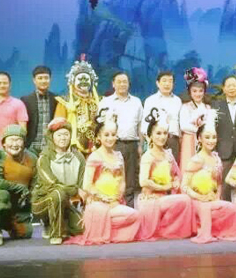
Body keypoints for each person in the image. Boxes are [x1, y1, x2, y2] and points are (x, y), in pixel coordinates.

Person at [67, 109, 141, 245]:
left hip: (114, 202)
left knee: (135, 216)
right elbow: (87, 185)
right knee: (102, 210)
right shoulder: (94, 157)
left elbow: (122, 181)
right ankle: (97, 224)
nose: (110, 138)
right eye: (106, 135)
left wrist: (116, 198)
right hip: (98, 202)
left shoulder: (119, 156)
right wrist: (103, 198)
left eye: (113, 135)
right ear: (98, 137)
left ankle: (105, 228)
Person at [182, 109, 236, 243]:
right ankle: (204, 233)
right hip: (197, 201)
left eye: (214, 137)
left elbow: (219, 183)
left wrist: (216, 197)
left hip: (212, 199)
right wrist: (200, 197)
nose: (211, 141)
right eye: (207, 137)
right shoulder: (196, 160)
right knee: (205, 209)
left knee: (231, 208)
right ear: (199, 138)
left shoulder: (216, 158)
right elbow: (184, 186)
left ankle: (224, 232)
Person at [136, 108, 193, 241]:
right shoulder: (148, 156)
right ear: (150, 136)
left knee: (186, 199)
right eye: (158, 133)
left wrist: (176, 181)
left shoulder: (168, 155)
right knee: (184, 200)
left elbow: (177, 175)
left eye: (164, 133)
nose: (162, 137)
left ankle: (171, 231)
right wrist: (165, 187)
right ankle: (167, 231)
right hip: (151, 199)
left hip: (165, 197)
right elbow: (143, 182)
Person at [31, 118, 85, 245]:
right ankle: (54, 231)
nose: (63, 138)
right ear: (52, 137)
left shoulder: (79, 157)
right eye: (59, 135)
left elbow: (82, 184)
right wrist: (75, 189)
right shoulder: (44, 157)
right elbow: (52, 185)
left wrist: (81, 193)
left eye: (66, 134)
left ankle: (63, 223)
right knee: (57, 194)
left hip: (67, 202)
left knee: (82, 229)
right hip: (44, 200)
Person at [0, 125, 36, 246]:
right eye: (11, 140)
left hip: (19, 203)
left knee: (26, 233)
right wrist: (19, 187)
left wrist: (31, 197)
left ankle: (8, 224)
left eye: (18, 140)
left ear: (24, 142)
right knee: (1, 194)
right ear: (4, 143)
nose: (15, 144)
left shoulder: (31, 157)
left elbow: (35, 182)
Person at [100, 71, 143, 207]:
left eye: (125, 81)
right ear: (113, 84)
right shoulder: (105, 102)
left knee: (130, 181)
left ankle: (129, 210)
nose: (122, 84)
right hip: (112, 145)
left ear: (129, 84)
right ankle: (112, 208)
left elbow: (140, 125)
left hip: (131, 145)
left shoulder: (136, 102)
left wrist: (140, 146)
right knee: (112, 177)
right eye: (119, 82)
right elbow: (100, 125)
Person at [211, 75, 236, 201]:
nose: (232, 88)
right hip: (223, 151)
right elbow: (213, 128)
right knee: (225, 185)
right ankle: (226, 209)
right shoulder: (216, 106)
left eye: (234, 85)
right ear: (224, 89)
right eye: (228, 86)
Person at [55, 56, 101, 155]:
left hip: (97, 149)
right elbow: (58, 127)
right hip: (71, 149)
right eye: (80, 79)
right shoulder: (65, 102)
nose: (83, 82)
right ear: (73, 81)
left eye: (86, 79)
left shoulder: (99, 101)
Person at [0, 71, 29, 154]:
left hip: (11, 151)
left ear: (10, 85)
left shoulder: (18, 104)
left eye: (5, 83)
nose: (2, 85)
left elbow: (23, 130)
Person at [141, 71, 182, 162]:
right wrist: (150, 141)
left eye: (170, 81)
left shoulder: (177, 101)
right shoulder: (150, 100)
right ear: (157, 83)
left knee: (172, 168)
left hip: (173, 141)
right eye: (164, 81)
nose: (167, 84)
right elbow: (145, 125)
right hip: (155, 141)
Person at [21, 66, 57, 156]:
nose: (43, 81)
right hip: (30, 147)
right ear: (34, 80)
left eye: (46, 78)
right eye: (40, 78)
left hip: (51, 146)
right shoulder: (25, 100)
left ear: (50, 79)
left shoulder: (56, 99)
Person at [179, 67, 210, 173]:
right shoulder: (185, 107)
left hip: (204, 141)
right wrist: (199, 130)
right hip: (189, 140)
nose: (198, 94)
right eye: (194, 91)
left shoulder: (208, 108)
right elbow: (183, 126)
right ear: (190, 92)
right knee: (188, 167)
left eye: (201, 91)